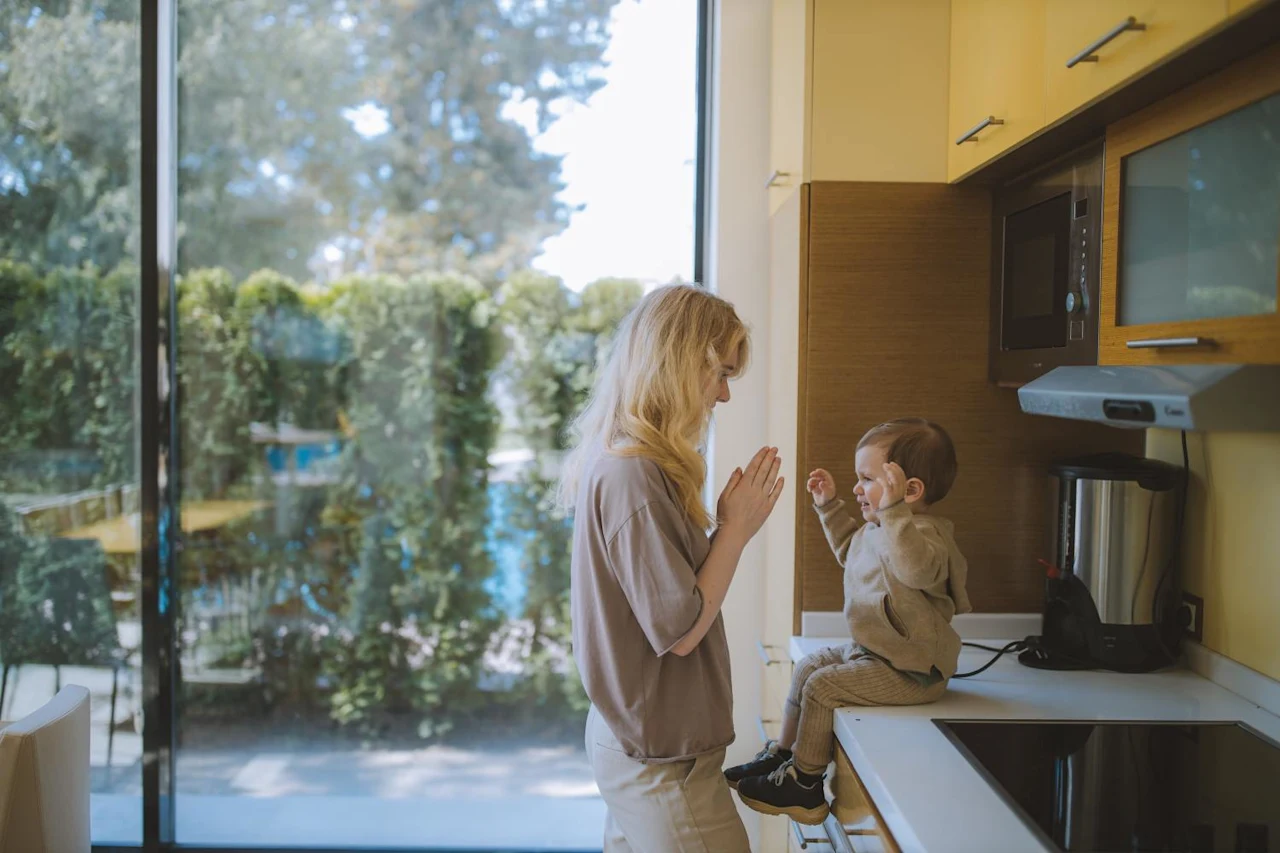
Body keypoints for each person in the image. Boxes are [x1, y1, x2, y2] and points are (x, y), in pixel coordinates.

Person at [560, 284, 784, 853]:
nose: (726, 395)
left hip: (639, 740)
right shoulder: (633, 475)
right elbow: (680, 630)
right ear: (683, 366)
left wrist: (729, 528)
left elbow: (668, 601)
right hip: (659, 759)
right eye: (722, 374)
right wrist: (734, 530)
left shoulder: (632, 463)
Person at [727, 418, 971, 825]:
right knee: (808, 668)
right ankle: (783, 754)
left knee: (823, 687)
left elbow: (913, 570)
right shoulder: (880, 528)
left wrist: (893, 515)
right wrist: (829, 507)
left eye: (867, 479)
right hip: (876, 654)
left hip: (912, 671)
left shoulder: (927, 537)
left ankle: (805, 785)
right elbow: (848, 549)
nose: (857, 487)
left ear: (909, 491)